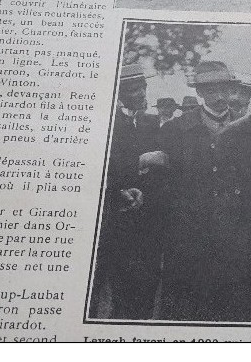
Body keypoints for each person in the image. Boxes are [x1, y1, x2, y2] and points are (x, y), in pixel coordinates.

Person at [158, 61, 251, 321]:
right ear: (200, 93)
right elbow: (166, 181)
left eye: (224, 89)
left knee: (228, 303)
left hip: (232, 230)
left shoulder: (247, 127)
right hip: (189, 231)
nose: (220, 96)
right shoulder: (175, 129)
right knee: (186, 301)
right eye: (211, 90)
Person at [91, 64, 170, 320]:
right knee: (104, 287)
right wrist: (139, 162)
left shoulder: (151, 122)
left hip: (145, 221)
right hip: (111, 218)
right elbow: (101, 165)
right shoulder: (106, 121)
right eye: (133, 89)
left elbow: (160, 165)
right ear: (119, 92)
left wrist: (146, 187)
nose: (140, 94)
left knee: (142, 288)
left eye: (142, 87)